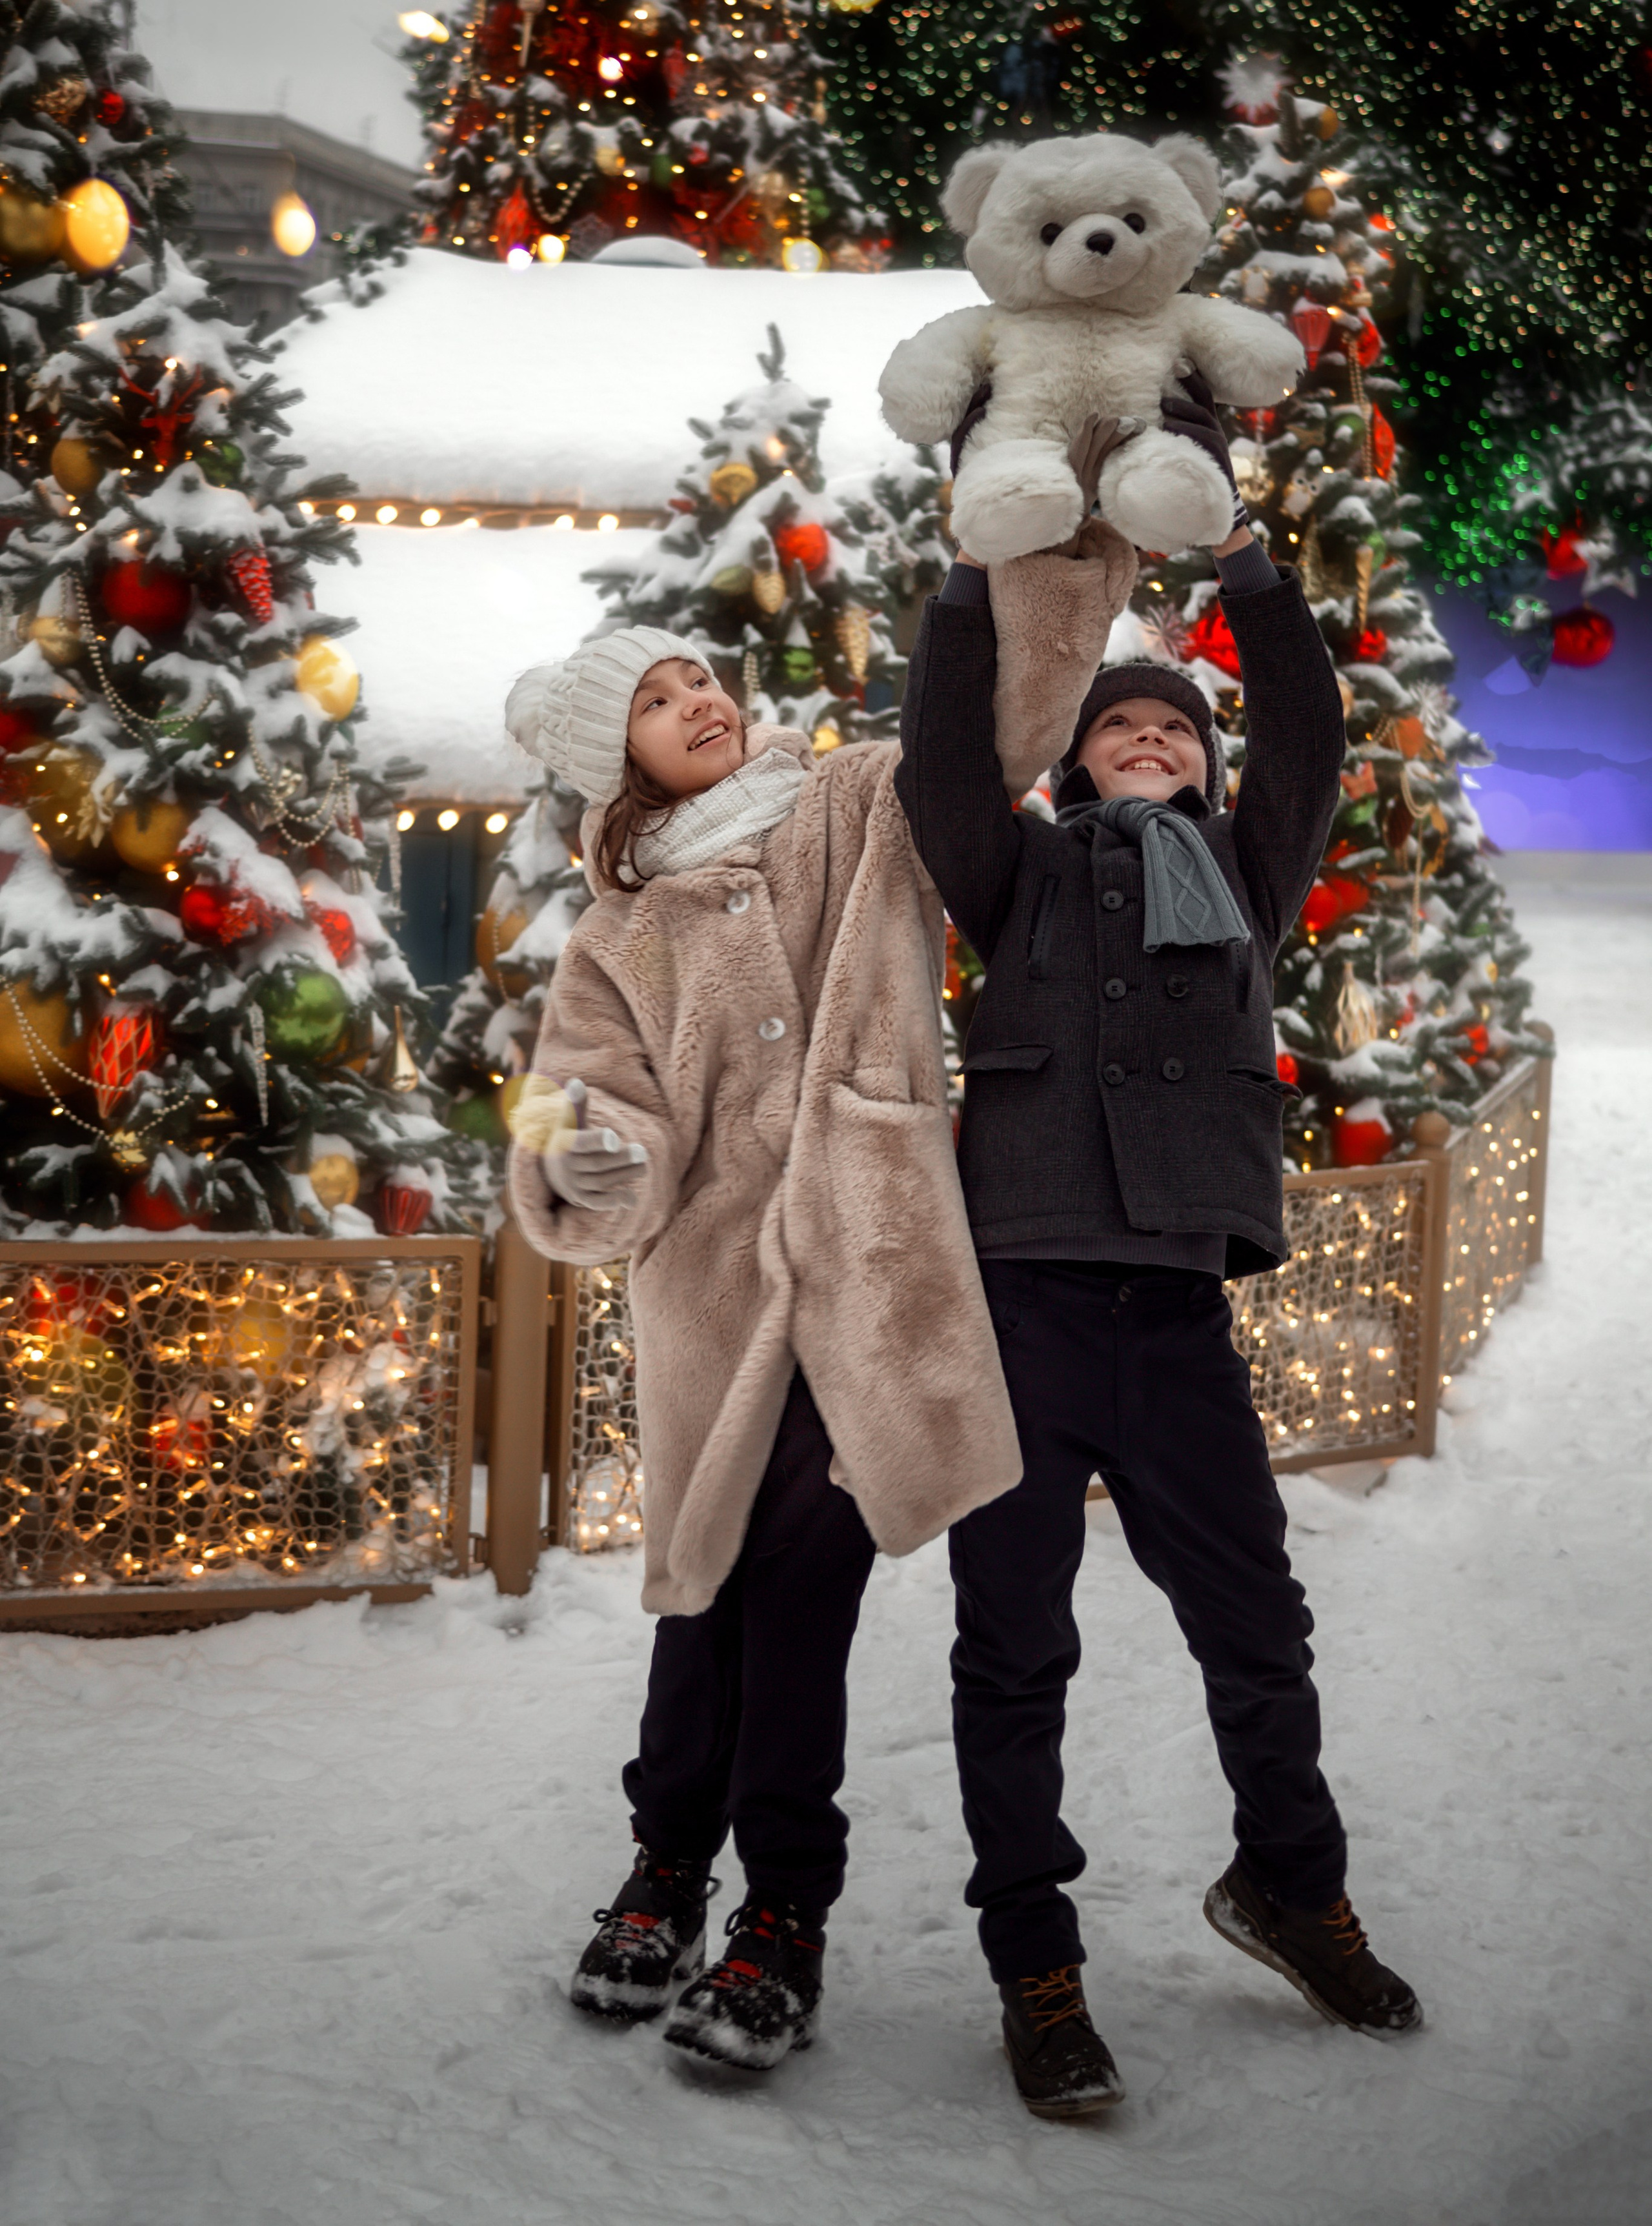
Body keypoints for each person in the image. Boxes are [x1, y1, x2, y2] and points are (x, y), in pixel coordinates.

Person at [501, 556, 1131, 2076]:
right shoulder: (617, 935)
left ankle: (781, 1911)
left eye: (696, 675)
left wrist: (1030, 565)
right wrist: (584, 1157)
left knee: (799, 1601)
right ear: (619, 765)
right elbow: (581, 1104)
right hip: (713, 1306)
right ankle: (665, 1869)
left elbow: (1006, 733)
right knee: (701, 1585)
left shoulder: (854, 802)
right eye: (657, 702)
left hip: (867, 1277)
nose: (697, 700)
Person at [895, 379, 1423, 2122]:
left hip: (1177, 1306)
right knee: (1013, 1645)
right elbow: (944, 750)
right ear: (1077, 761)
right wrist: (979, 543)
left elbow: (1309, 724)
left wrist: (1246, 554)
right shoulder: (1017, 878)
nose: (1151, 745)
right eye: (1122, 731)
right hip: (1028, 1300)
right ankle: (1035, 1969)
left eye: (1174, 734)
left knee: (1254, 1623)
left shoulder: (1248, 878)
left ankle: (1298, 1883)